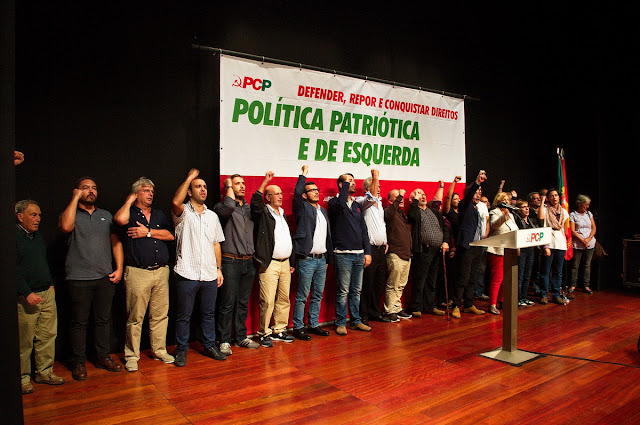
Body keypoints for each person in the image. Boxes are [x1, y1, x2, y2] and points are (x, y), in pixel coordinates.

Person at [60, 177, 124, 380]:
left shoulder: (105, 215)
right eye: (85, 188)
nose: (91, 191)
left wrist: (119, 268)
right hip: (78, 277)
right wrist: (74, 199)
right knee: (79, 322)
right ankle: (78, 362)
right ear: (77, 191)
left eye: (94, 188)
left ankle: (103, 357)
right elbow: (66, 227)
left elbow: (115, 242)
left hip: (104, 277)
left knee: (103, 320)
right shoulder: (70, 213)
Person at [114, 177, 175, 372]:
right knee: (135, 317)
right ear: (135, 193)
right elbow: (119, 220)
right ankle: (132, 355)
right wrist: (129, 202)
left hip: (161, 271)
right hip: (138, 273)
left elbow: (170, 235)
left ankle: (159, 350)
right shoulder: (130, 214)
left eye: (152, 191)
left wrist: (147, 232)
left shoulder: (158, 214)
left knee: (160, 315)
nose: (150, 194)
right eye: (146, 190)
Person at [171, 169, 226, 366]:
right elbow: (175, 202)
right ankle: (181, 350)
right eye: (198, 186)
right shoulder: (183, 212)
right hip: (187, 272)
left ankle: (209, 345)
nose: (203, 190)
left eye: (204, 187)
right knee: (184, 315)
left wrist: (218, 268)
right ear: (189, 191)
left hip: (209, 273)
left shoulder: (212, 216)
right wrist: (188, 178)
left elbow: (216, 243)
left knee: (208, 314)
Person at [16, 200, 65, 394]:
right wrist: (26, 292)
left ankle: (44, 372)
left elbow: (42, 262)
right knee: (24, 340)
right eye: (33, 215)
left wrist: (50, 284)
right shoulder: (13, 237)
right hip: (26, 296)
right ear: (20, 216)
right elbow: (12, 270)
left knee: (47, 335)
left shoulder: (36, 236)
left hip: (46, 293)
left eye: (39, 215)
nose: (38, 219)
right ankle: (22, 378)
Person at [213, 174, 260, 354]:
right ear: (230, 188)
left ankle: (240, 337)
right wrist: (228, 187)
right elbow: (229, 207)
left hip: (249, 261)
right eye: (237, 184)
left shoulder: (249, 209)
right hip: (230, 261)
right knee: (227, 303)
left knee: (243, 302)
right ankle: (224, 340)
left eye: (243, 183)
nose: (242, 186)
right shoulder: (222, 207)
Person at [251, 171, 295, 347]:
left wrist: (290, 261)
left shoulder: (281, 213)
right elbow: (255, 202)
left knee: (284, 299)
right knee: (268, 300)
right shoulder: (263, 212)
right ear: (268, 197)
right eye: (276, 194)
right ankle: (264, 333)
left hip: (285, 263)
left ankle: (279, 330)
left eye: (281, 193)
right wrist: (265, 182)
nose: (280, 196)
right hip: (269, 263)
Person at [291, 165, 333, 340]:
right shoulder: (302, 208)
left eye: (317, 190)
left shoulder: (322, 211)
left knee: (317, 294)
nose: (316, 192)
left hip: (321, 260)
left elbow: (327, 236)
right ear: (304, 195)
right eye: (311, 190)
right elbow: (296, 193)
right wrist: (303, 175)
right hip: (306, 260)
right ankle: (298, 327)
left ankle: (313, 324)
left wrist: (328, 259)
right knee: (302, 295)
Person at [329, 173, 372, 335]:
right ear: (341, 185)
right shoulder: (334, 203)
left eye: (353, 181)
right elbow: (340, 204)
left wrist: (367, 252)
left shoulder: (356, 205)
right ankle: (341, 322)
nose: (353, 183)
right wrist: (345, 186)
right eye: (349, 181)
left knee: (356, 291)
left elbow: (363, 231)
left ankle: (355, 321)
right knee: (343, 291)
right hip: (343, 254)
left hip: (359, 254)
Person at [406, 187, 450, 318]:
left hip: (437, 250)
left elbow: (444, 228)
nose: (423, 196)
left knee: (432, 280)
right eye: (419, 194)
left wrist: (445, 241)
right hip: (423, 250)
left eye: (424, 194)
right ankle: (416, 307)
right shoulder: (415, 211)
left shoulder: (434, 212)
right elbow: (412, 216)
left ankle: (430, 305)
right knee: (420, 280)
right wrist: (415, 201)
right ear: (414, 199)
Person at [451, 170, 488, 319]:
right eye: (476, 192)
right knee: (463, 277)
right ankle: (456, 305)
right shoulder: (464, 205)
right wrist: (477, 182)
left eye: (480, 192)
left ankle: (468, 304)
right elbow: (468, 197)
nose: (478, 194)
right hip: (466, 246)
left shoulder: (477, 208)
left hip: (477, 246)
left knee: (473, 277)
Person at [356, 169, 388, 325]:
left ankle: (375, 312)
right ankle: (363, 315)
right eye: (376, 185)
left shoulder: (379, 204)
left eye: (379, 186)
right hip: (369, 249)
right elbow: (372, 197)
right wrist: (375, 176)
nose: (379, 189)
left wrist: (385, 241)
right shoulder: (363, 202)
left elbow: (380, 224)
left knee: (378, 283)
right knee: (367, 284)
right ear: (366, 189)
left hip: (381, 249)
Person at [486, 192, 519, 315]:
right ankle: (492, 304)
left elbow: (515, 230)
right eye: (503, 199)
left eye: (507, 200)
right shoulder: (494, 212)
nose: (506, 201)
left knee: (507, 278)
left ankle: (502, 300)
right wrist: (504, 216)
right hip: (497, 250)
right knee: (497, 278)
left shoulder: (511, 214)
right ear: (498, 201)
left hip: (510, 250)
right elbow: (494, 225)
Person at [383, 189, 412, 321]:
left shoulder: (401, 214)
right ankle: (390, 310)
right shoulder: (388, 211)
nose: (401, 200)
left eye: (401, 198)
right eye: (397, 198)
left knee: (401, 284)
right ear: (390, 201)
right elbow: (388, 215)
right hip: (395, 253)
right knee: (393, 284)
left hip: (406, 254)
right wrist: (401, 196)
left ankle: (397, 307)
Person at [537, 189, 570, 305]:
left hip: (560, 243)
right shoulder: (546, 209)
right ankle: (544, 294)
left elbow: (565, 228)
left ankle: (556, 294)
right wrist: (542, 202)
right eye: (551, 196)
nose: (554, 197)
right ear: (548, 198)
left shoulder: (563, 211)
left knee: (558, 271)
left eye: (556, 195)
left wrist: (566, 243)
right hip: (549, 242)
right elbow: (541, 217)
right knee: (545, 271)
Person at [569, 194, 597, 294]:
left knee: (587, 265)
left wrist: (588, 239)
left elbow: (594, 228)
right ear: (579, 204)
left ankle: (586, 285)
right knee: (575, 265)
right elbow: (572, 230)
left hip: (590, 243)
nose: (587, 207)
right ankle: (573, 284)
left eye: (588, 205)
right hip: (578, 243)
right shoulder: (573, 215)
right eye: (585, 204)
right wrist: (583, 240)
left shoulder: (589, 214)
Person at [515, 199, 536, 307]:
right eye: (523, 207)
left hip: (530, 249)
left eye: (527, 206)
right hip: (522, 250)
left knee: (527, 275)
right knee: (520, 275)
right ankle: (518, 298)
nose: (527, 209)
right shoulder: (517, 221)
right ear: (518, 210)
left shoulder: (531, 221)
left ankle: (524, 297)